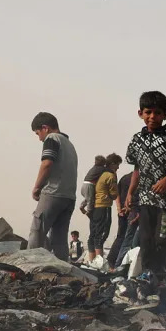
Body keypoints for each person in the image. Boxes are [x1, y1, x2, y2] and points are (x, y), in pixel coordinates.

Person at [123, 91, 166, 280]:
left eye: (157, 113)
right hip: (145, 198)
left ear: (165, 115)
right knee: (146, 240)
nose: (152, 116)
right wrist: (130, 192)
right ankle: (151, 275)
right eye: (148, 112)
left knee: (164, 239)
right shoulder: (137, 140)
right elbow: (137, 168)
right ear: (140, 113)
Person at [28, 112, 78, 261]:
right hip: (69, 197)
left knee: (37, 231)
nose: (39, 138)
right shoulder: (69, 144)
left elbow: (47, 163)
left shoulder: (51, 139)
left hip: (53, 193)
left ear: (45, 128)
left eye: (38, 133)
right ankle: (62, 269)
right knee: (59, 238)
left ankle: (30, 266)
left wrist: (37, 187)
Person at [88, 153, 121, 261]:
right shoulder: (110, 176)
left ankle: (91, 262)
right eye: (117, 164)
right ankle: (99, 263)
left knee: (92, 235)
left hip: (94, 206)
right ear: (112, 164)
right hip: (104, 207)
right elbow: (114, 194)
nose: (118, 167)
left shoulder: (98, 174)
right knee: (101, 235)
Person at [107, 170, 134, 267]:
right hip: (130, 211)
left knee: (121, 236)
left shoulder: (124, 177)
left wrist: (119, 208)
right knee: (129, 238)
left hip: (122, 211)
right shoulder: (136, 178)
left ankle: (112, 260)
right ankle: (120, 263)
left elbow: (117, 194)